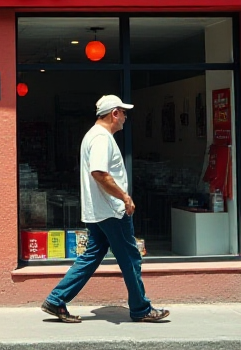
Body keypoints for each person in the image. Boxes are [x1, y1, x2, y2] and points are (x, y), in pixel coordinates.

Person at [41, 94, 170, 323]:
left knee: (92, 255)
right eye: (124, 112)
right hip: (111, 211)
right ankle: (141, 308)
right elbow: (99, 172)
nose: (126, 117)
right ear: (114, 113)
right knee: (130, 258)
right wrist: (124, 197)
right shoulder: (101, 138)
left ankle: (56, 299)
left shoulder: (94, 136)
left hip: (99, 211)